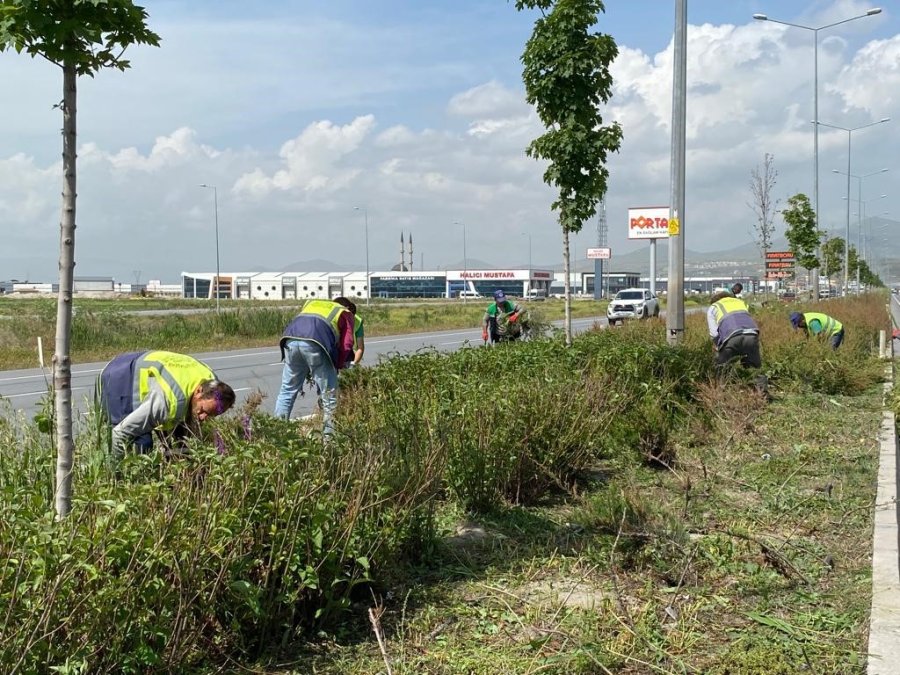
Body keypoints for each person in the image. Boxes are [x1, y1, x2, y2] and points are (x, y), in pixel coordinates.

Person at [98, 350, 235, 459]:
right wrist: (116, 478)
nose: (203, 417)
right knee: (141, 448)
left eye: (211, 415)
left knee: (182, 446)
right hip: (120, 377)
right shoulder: (167, 403)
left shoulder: (212, 385)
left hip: (152, 366)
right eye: (203, 410)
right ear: (199, 391)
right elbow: (118, 434)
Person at [274, 296, 356, 437]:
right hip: (316, 343)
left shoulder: (313, 303)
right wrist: (338, 364)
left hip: (290, 340)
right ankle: (329, 442)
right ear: (349, 308)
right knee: (329, 396)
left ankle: (277, 435)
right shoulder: (345, 313)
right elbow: (347, 344)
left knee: (287, 391)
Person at [708, 291, 765, 389]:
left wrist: (718, 345)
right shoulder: (739, 302)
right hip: (751, 334)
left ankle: (720, 393)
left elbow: (714, 333)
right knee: (754, 367)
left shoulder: (714, 307)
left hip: (731, 336)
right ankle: (762, 393)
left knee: (722, 366)